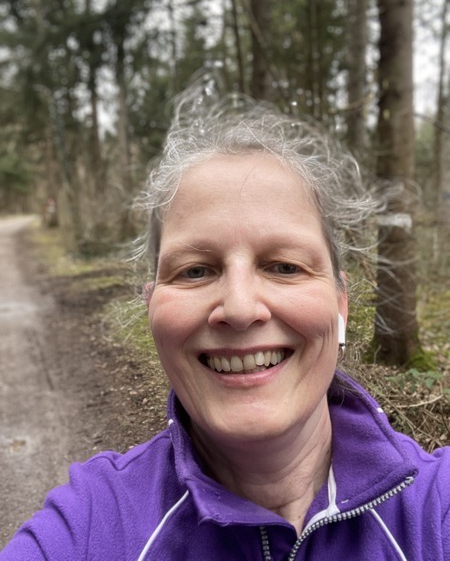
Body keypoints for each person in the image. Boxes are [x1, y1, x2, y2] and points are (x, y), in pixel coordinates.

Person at [1, 85, 450, 561]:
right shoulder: (91, 523)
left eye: (284, 267)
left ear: (340, 304)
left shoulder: (434, 510)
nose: (239, 308)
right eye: (195, 270)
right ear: (152, 307)